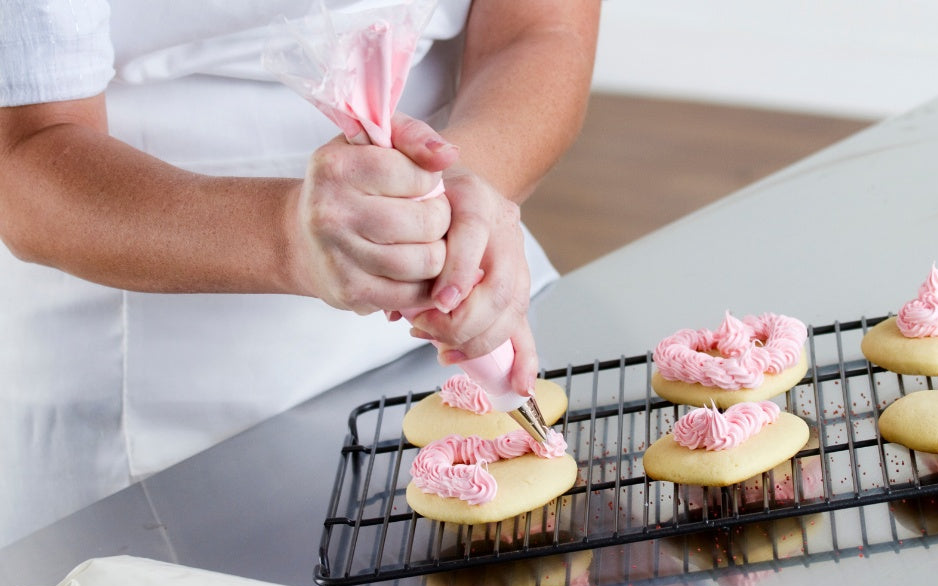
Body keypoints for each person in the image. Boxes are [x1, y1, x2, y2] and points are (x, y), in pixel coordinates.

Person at [0, 0, 601, 546]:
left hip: (471, 282)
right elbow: (24, 156)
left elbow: (539, 28)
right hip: (159, 376)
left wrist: (460, 200)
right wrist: (287, 236)